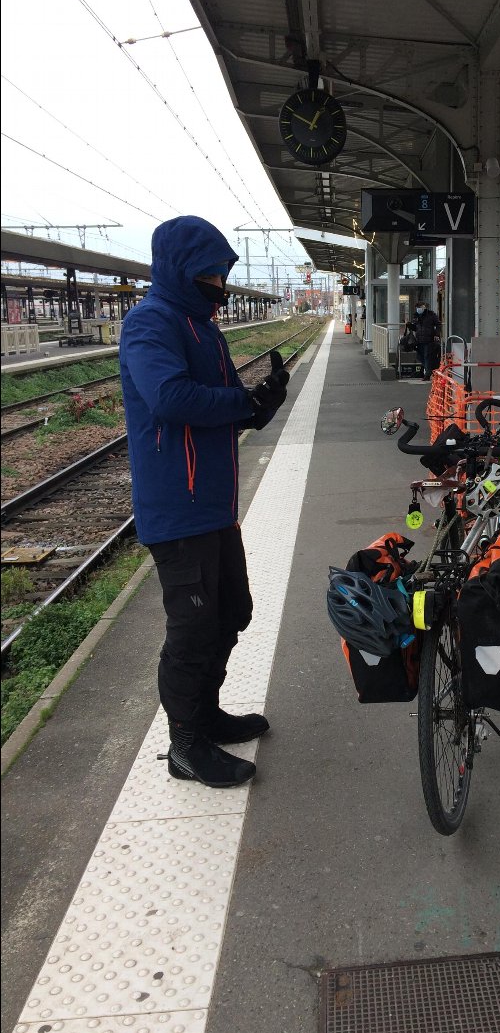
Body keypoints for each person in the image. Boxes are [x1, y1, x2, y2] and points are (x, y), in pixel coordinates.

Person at [119, 216, 290, 789]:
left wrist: (259, 404)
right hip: (177, 507)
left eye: (222, 272)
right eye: (208, 272)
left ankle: (205, 715)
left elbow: (221, 409)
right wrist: (240, 402)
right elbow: (170, 397)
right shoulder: (150, 323)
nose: (218, 282)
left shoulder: (203, 328)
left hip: (213, 505)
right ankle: (185, 744)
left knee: (230, 612)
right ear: (179, 270)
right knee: (192, 629)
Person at [405, 300, 441, 380]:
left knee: (427, 356)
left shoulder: (431, 315)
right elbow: (415, 328)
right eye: (417, 308)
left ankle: (427, 374)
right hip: (419, 340)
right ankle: (430, 370)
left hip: (429, 339)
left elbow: (438, 324)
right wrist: (409, 325)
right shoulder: (416, 316)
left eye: (420, 307)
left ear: (424, 307)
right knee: (420, 356)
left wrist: (436, 334)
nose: (418, 309)